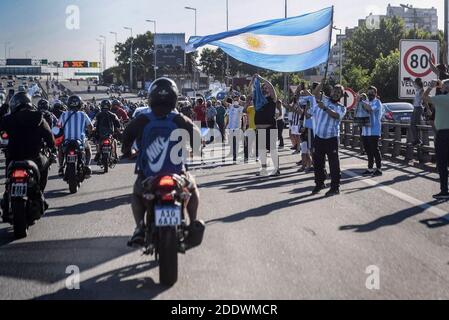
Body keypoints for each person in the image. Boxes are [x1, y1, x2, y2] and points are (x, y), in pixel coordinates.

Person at [121, 77, 204, 246]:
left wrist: (127, 151)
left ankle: (140, 228)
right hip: (177, 175)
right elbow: (196, 134)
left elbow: (126, 136)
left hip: (148, 176)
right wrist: (197, 148)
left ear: (151, 97)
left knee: (137, 194)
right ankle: (191, 224)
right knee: (192, 188)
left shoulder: (143, 119)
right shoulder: (178, 119)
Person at [0, 92, 56, 222]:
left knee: (8, 183)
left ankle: (7, 198)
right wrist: (52, 149)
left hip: (13, 158)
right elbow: (49, 136)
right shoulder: (38, 117)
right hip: (34, 158)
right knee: (46, 167)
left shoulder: (7, 119)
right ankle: (40, 193)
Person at [312, 82, 347, 197]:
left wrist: (325, 108)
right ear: (331, 91)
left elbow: (336, 116)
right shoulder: (325, 99)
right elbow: (315, 93)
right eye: (335, 91)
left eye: (339, 93)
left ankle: (335, 187)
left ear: (341, 96)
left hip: (331, 138)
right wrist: (322, 83)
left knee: (333, 164)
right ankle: (319, 183)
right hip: (319, 137)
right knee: (317, 163)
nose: (336, 94)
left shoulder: (342, 108)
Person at [423, 79, 449, 199]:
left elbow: (424, 97)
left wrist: (432, 86)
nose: (441, 87)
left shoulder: (442, 99)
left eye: (443, 86)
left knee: (442, 163)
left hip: (443, 133)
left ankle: (444, 191)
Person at [251, 74, 280, 176]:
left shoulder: (272, 99)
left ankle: (276, 169)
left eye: (266, 88)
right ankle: (263, 169)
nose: (265, 89)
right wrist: (253, 80)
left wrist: (261, 78)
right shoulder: (257, 100)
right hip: (260, 130)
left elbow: (271, 87)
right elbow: (251, 90)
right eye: (263, 88)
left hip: (270, 128)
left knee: (272, 150)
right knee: (262, 151)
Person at [57, 96, 93, 176]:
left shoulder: (63, 114)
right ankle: (87, 165)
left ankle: (61, 166)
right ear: (80, 104)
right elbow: (90, 127)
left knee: (60, 150)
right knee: (88, 149)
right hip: (80, 141)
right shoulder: (83, 114)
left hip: (66, 141)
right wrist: (90, 134)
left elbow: (58, 126)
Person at [356, 87, 384, 176]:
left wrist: (361, 101)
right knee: (368, 150)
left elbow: (370, 109)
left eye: (372, 93)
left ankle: (379, 168)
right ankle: (370, 168)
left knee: (375, 149)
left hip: (374, 130)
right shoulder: (366, 101)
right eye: (368, 93)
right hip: (365, 130)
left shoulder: (377, 102)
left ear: (375, 93)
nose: (370, 94)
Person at [224, 96, 244, 163]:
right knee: (232, 142)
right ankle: (233, 154)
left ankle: (235, 156)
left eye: (237, 99)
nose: (235, 101)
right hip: (230, 127)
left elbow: (245, 105)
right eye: (234, 99)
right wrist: (227, 95)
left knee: (237, 142)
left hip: (237, 127)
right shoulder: (231, 106)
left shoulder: (241, 108)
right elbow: (224, 102)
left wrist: (243, 127)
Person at [410, 78, 425, 146]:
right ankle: (416, 139)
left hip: (419, 108)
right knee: (412, 124)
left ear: (418, 83)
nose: (414, 84)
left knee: (415, 124)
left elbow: (423, 99)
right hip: (415, 108)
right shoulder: (417, 89)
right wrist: (410, 79)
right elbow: (414, 84)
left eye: (416, 83)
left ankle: (418, 140)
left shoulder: (421, 90)